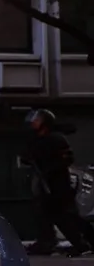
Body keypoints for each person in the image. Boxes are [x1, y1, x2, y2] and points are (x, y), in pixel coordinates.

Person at [21, 108, 90, 256]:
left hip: (59, 183)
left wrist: (51, 169)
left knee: (66, 215)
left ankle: (83, 244)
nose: (34, 122)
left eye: (37, 120)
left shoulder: (56, 138)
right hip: (44, 183)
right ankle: (46, 243)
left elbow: (67, 158)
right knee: (44, 214)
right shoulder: (36, 140)